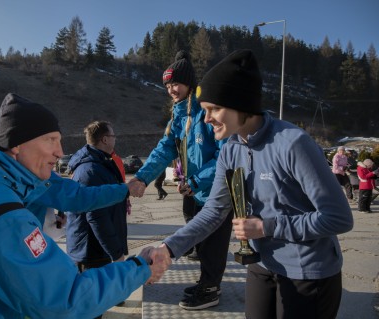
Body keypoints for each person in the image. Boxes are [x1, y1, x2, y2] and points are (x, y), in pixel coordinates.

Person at [0, 93, 170, 319]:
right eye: (51, 140)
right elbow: (64, 298)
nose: (59, 151)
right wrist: (139, 268)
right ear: (17, 145)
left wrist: (123, 189)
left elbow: (75, 195)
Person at [148, 49, 354, 318]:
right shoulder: (232, 149)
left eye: (214, 109)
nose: (207, 119)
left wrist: (268, 227)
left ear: (239, 104)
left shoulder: (293, 143)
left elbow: (339, 218)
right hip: (263, 262)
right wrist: (169, 248)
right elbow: (213, 211)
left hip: (308, 271)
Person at [129, 50, 230, 310]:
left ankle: (210, 288)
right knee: (203, 242)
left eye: (176, 83)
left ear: (190, 83)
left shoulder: (206, 112)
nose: (172, 89)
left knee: (213, 246)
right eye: (168, 85)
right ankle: (206, 282)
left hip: (218, 191)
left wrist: (196, 180)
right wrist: (142, 177)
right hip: (197, 191)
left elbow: (225, 156)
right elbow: (165, 149)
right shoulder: (179, 115)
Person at [65, 121, 129, 318]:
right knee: (91, 307)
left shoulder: (100, 163)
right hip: (92, 251)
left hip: (94, 248)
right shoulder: (91, 171)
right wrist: (116, 253)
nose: (115, 139)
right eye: (113, 136)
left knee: (95, 303)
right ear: (104, 139)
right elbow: (97, 217)